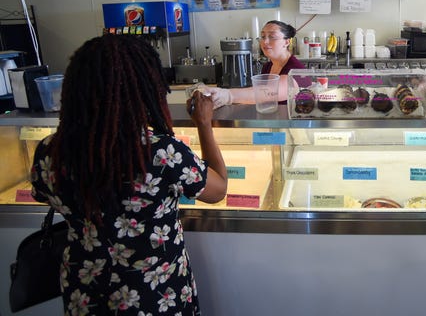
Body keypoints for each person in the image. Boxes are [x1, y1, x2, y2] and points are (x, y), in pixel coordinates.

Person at [30, 34, 228, 315]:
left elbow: (42, 194)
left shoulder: (50, 150)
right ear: (146, 87)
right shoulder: (161, 152)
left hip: (85, 287)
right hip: (156, 290)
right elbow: (217, 190)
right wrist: (204, 124)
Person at [208, 20, 306, 107]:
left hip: (293, 125)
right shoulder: (268, 66)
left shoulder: (297, 70)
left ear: (286, 42)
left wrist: (228, 95)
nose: (265, 41)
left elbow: (269, 93)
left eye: (272, 37)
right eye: (263, 37)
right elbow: (258, 96)